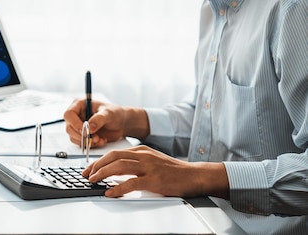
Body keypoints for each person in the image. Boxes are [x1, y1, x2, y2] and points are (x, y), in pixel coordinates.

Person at [64, 0, 308, 233]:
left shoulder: (293, 10)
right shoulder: (213, 8)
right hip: (204, 214)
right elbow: (213, 117)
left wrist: (196, 176)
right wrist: (130, 120)